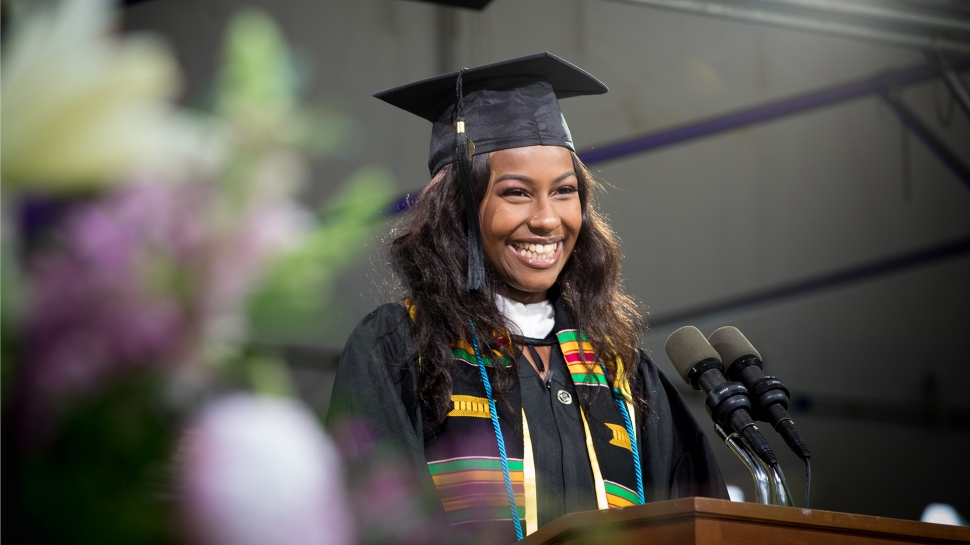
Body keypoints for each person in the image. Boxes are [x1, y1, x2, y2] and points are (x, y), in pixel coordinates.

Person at [328, 52, 728, 544]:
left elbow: (699, 522)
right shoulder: (398, 348)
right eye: (517, 193)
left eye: (564, 192)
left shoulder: (622, 370)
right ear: (460, 210)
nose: (546, 219)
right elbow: (374, 520)